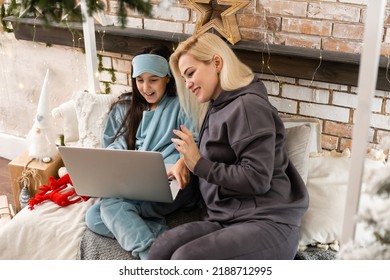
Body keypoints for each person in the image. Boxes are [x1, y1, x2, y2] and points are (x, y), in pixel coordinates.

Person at [148, 32, 309, 260]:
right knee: (162, 247)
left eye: (191, 73)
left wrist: (199, 165)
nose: (188, 84)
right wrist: (186, 163)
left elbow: (257, 178)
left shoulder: (248, 106)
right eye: (184, 78)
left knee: (185, 260)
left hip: (268, 222)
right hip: (226, 219)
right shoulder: (217, 106)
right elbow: (223, 154)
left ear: (216, 62)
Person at [85, 44, 200, 260]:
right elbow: (115, 145)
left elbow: (195, 140)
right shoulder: (126, 107)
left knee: (109, 206)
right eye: (140, 80)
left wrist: (184, 161)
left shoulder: (182, 105)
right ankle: (160, 239)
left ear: (167, 77)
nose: (146, 87)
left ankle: (150, 256)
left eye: (153, 79)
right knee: (93, 217)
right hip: (134, 185)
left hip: (172, 183)